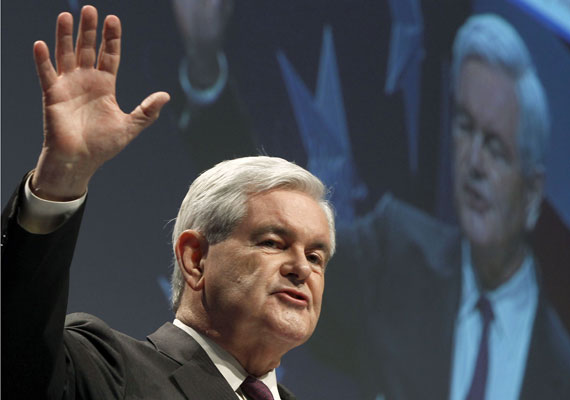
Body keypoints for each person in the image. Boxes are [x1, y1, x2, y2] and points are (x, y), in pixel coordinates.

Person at [177, 10, 570, 399]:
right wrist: (206, 69)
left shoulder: (561, 366)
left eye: (497, 147)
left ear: (534, 191)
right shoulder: (397, 257)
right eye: (466, 128)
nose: (474, 164)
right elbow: (264, 217)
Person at [1, 5, 335, 399]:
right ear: (195, 258)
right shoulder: (109, 372)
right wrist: (60, 181)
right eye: (273, 242)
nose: (301, 268)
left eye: (316, 256)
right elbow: (18, 344)